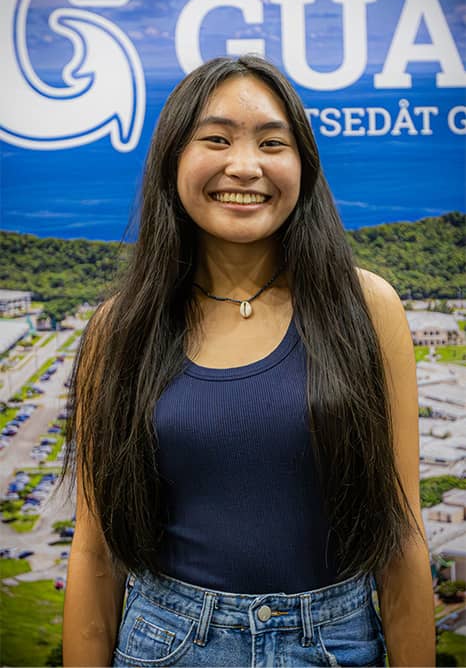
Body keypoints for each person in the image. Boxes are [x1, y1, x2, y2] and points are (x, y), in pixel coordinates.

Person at [62, 55, 435, 667]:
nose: (245, 166)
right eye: (215, 139)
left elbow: (401, 537)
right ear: (172, 160)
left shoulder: (367, 308)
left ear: (303, 165)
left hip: (335, 645)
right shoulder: (119, 329)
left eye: (271, 142)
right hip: (169, 644)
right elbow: (96, 555)